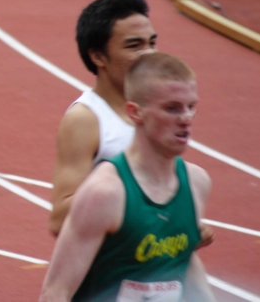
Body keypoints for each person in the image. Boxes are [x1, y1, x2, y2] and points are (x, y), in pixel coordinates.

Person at [39, 52, 215, 301]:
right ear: (135, 112)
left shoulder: (197, 183)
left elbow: (184, 264)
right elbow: (55, 292)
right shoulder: (105, 193)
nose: (186, 119)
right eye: (172, 108)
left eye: (191, 107)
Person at [49, 0, 157, 236]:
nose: (150, 54)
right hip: (111, 270)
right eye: (134, 46)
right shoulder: (86, 119)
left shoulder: (157, 110)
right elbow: (59, 220)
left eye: (152, 43)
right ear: (98, 56)